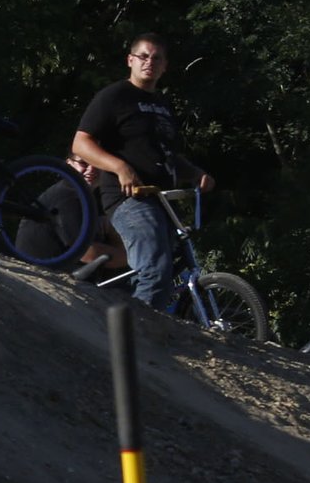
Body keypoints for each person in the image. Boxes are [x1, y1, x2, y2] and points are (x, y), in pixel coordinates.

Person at [72, 32, 214, 311]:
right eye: (143, 56)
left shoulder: (163, 106)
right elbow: (81, 142)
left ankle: (134, 321)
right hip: (130, 198)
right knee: (155, 269)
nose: (149, 62)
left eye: (156, 58)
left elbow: (169, 155)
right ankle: (135, 340)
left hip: (161, 199)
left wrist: (196, 174)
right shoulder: (114, 96)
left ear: (164, 66)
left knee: (166, 270)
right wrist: (119, 166)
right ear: (130, 60)